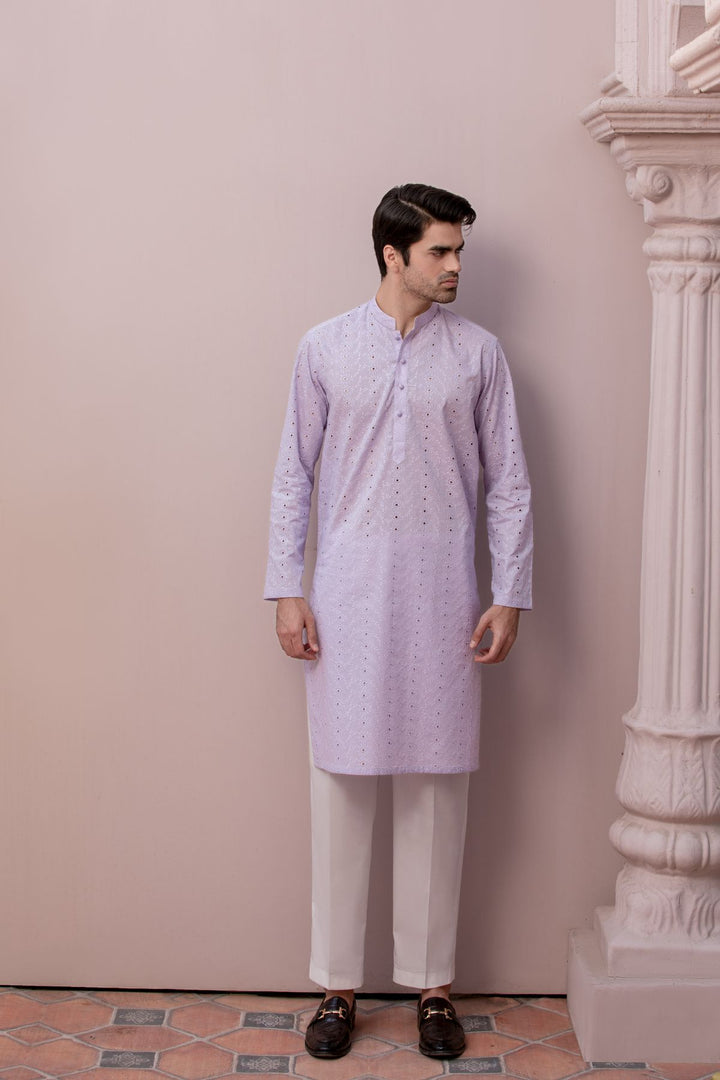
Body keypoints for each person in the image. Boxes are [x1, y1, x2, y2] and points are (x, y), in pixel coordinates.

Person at [264, 183, 532, 1060]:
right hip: (345, 597)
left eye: (459, 252)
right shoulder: (325, 348)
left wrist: (509, 592)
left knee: (436, 791)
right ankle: (337, 988)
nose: (454, 267)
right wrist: (287, 587)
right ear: (393, 254)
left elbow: (510, 482)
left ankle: (432, 990)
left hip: (447, 598)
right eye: (439, 251)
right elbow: (294, 473)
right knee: (341, 787)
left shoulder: (479, 354)